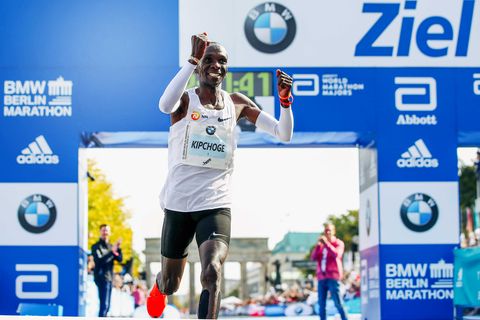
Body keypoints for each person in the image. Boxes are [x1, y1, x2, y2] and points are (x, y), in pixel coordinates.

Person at [146, 32, 294, 319]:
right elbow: (164, 106)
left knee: (212, 271)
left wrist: (286, 103)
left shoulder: (236, 103)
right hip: (179, 204)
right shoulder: (185, 102)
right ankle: (159, 286)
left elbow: (283, 134)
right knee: (170, 283)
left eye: (222, 61)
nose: (216, 65)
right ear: (199, 66)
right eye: (209, 60)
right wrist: (191, 59)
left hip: (215, 203)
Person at [310, 223, 348, 320]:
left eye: (329, 230)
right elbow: (313, 258)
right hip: (321, 277)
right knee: (321, 304)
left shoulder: (338, 243)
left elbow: (336, 254)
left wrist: (327, 244)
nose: (327, 233)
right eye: (326, 231)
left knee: (337, 302)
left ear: (333, 231)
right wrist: (318, 246)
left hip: (333, 277)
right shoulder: (321, 246)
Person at [92, 224, 123, 317]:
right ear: (100, 231)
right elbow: (99, 260)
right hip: (100, 277)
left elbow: (120, 259)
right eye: (103, 230)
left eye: (107, 230)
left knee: (107, 306)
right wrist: (112, 251)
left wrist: (116, 250)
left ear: (109, 232)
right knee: (104, 304)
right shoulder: (96, 246)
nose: (105, 232)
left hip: (109, 277)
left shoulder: (111, 246)